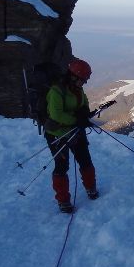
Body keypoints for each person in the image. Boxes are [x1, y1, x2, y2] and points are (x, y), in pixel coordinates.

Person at [44, 58, 99, 213]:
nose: (84, 83)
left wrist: (84, 113)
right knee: (62, 166)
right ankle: (63, 201)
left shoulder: (77, 89)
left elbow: (84, 103)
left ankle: (91, 188)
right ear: (73, 76)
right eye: (83, 79)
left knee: (85, 160)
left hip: (75, 131)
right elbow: (56, 115)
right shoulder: (56, 91)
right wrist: (76, 120)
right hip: (57, 134)